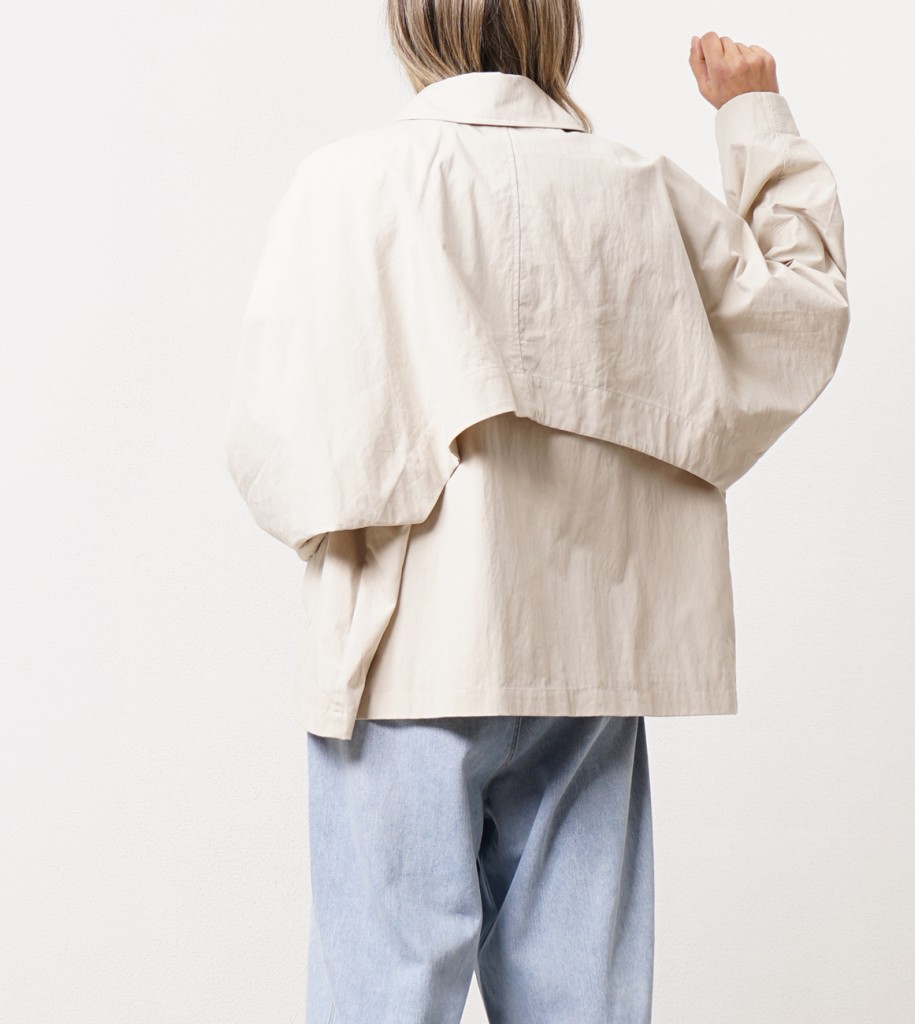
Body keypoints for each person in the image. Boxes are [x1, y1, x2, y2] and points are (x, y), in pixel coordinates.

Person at [223, 3, 850, 1021]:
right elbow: (797, 322)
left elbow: (274, 449)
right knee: (582, 1003)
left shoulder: (350, 182)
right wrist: (754, 117)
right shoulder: (637, 189)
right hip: (585, 664)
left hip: (402, 657)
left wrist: (396, 499)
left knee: (380, 999)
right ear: (557, 26)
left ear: (412, 25)